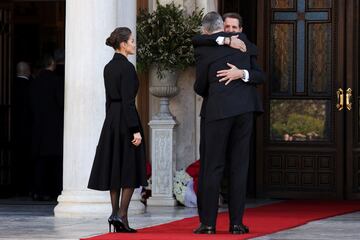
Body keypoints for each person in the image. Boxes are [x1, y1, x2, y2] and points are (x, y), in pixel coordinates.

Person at [192, 12, 265, 235]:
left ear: (206, 30)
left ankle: (208, 224)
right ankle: (236, 224)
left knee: (213, 167)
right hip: (244, 111)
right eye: (226, 27)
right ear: (221, 28)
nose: (230, 31)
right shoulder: (244, 45)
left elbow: (199, 86)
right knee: (238, 167)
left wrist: (240, 74)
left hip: (219, 112)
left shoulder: (205, 48)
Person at [87, 27, 147, 233]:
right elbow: (129, 102)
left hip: (112, 119)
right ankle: (122, 214)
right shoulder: (128, 68)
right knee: (128, 168)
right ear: (123, 44)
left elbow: (109, 99)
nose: (134, 44)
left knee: (115, 167)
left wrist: (110, 122)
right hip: (125, 119)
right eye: (131, 41)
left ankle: (115, 213)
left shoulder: (108, 67)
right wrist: (135, 130)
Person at [30, 55, 64, 200]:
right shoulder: (56, 81)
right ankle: (54, 191)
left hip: (38, 126)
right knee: (55, 162)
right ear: (51, 64)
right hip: (54, 127)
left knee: (40, 161)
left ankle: (38, 191)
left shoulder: (35, 82)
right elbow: (61, 103)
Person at [12, 61, 32, 196]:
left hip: (12, 129)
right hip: (28, 129)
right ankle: (25, 188)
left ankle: (15, 188)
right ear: (27, 71)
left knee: (16, 160)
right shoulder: (30, 86)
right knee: (26, 161)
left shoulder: (8, 85)